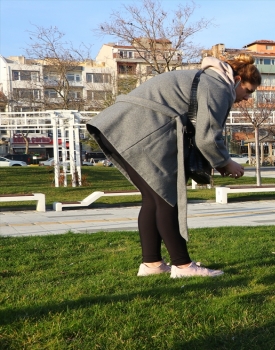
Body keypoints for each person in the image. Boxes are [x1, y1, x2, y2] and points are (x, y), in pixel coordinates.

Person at [86, 54, 261, 278]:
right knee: (167, 199)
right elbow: (207, 137)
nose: (246, 98)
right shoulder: (217, 86)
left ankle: (152, 264)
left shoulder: (206, 79)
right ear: (236, 80)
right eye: (248, 91)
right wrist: (226, 163)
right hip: (138, 130)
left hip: (123, 127)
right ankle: (183, 266)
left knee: (153, 200)